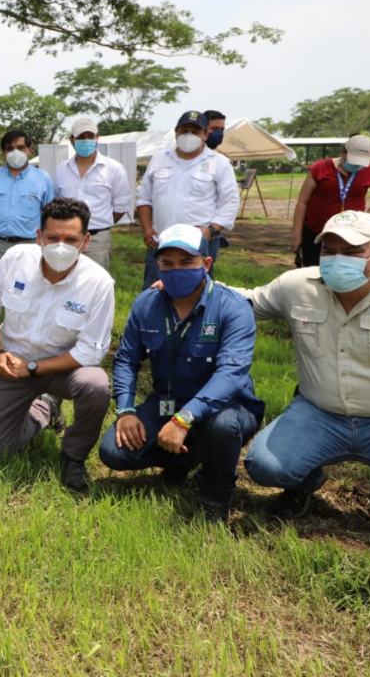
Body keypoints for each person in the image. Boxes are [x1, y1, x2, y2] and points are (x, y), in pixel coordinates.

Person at [237, 211, 370, 520]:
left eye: (352, 252)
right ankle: (306, 479)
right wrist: (192, 286)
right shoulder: (298, 285)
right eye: (329, 251)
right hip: (318, 413)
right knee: (265, 466)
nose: (339, 260)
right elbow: (245, 302)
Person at [98, 224, 264, 523]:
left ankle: (216, 495)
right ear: (157, 265)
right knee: (114, 451)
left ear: (207, 263)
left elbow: (232, 373)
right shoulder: (146, 304)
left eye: (187, 262)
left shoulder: (233, 308)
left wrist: (184, 418)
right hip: (168, 401)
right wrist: (125, 409)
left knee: (221, 426)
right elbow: (125, 359)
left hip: (227, 406)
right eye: (168, 263)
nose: (176, 270)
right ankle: (186, 457)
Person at [0, 198, 114, 492]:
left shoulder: (99, 283)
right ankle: (45, 409)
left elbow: (90, 351)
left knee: (96, 384)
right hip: (13, 365)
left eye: (71, 239)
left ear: (85, 241)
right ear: (39, 236)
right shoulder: (15, 259)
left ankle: (73, 458)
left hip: (64, 368)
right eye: (53, 238)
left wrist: (33, 368)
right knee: (0, 452)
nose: (60, 246)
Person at [135, 110, 239, 289]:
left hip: (199, 242)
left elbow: (230, 201)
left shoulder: (219, 162)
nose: (189, 136)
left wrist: (210, 230)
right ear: (176, 132)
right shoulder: (160, 158)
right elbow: (144, 197)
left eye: (195, 131)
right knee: (154, 290)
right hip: (161, 240)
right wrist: (146, 229)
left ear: (205, 134)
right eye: (184, 131)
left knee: (196, 291)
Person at [0, 129, 54, 347]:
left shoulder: (42, 179)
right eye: (9, 149)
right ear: (3, 152)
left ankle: (20, 340)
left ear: (29, 150)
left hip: (28, 245)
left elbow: (50, 214)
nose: (15, 152)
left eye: (20, 148)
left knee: (27, 291)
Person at [291, 135, 370, 267]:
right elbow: (303, 202)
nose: (357, 165)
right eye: (354, 160)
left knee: (344, 272)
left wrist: (367, 215)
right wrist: (297, 235)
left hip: (351, 235)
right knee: (313, 273)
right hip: (316, 233)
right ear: (343, 153)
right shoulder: (321, 168)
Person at [54, 118, 131, 270]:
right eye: (81, 137)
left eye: (90, 136)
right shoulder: (62, 170)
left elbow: (121, 206)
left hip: (97, 240)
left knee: (96, 284)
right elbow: (57, 202)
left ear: (97, 138)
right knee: (64, 280)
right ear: (71, 140)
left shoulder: (114, 168)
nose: (86, 141)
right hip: (66, 238)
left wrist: (99, 224)